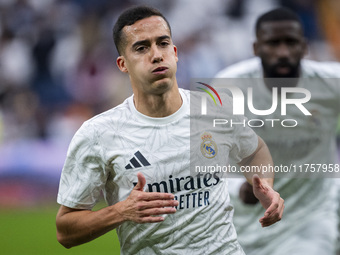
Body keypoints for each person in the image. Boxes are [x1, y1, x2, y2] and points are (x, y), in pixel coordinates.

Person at [55, 5, 284, 255]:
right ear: (123, 64)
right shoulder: (98, 133)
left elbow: (255, 150)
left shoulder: (215, 110)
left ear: (174, 53)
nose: (156, 55)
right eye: (141, 48)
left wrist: (266, 187)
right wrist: (120, 211)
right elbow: (65, 230)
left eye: (163, 43)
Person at [215, 7, 340, 255]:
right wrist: (239, 188)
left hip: (312, 217)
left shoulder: (330, 83)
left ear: (304, 47)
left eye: (291, 43)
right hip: (246, 222)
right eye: (273, 43)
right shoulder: (226, 88)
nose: (283, 52)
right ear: (256, 48)